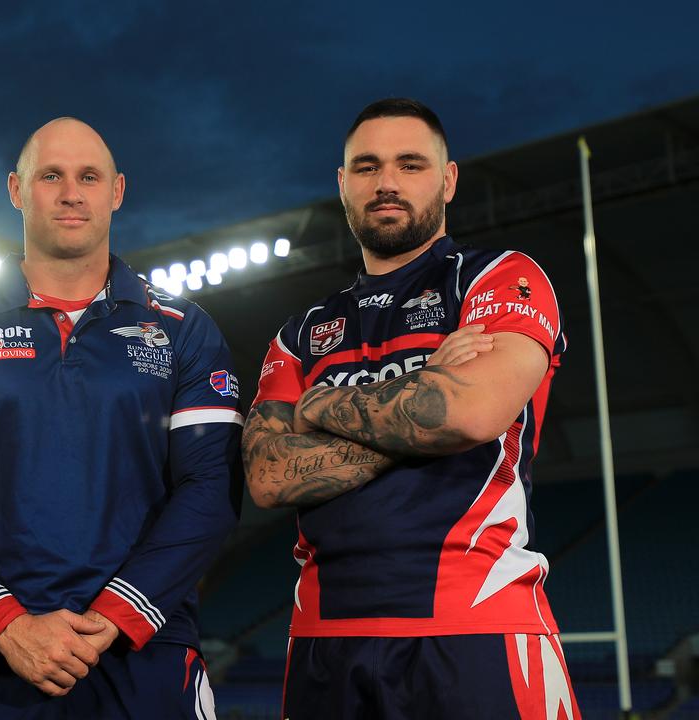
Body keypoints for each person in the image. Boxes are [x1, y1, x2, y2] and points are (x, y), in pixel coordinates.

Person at [0, 117, 243, 718]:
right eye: (50, 175)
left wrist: (115, 616)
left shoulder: (186, 330)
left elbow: (210, 489)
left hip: (145, 655)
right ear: (16, 190)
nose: (71, 192)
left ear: (118, 191)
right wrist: (5, 624)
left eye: (89, 177)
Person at [242, 97, 581, 719]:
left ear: (448, 180)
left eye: (410, 164)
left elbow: (471, 415)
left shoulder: (500, 278)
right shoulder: (302, 331)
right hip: (323, 639)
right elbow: (266, 476)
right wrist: (427, 391)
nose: (387, 183)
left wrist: (320, 406)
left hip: (477, 627)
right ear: (343, 185)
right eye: (367, 167)